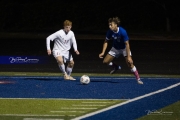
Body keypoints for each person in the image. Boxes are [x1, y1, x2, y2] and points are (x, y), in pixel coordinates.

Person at [99, 17, 143, 84]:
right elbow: (106, 41)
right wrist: (103, 52)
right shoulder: (109, 32)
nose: (110, 26)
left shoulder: (123, 31)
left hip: (124, 48)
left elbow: (127, 44)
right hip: (115, 48)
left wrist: (129, 56)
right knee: (105, 62)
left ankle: (138, 78)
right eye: (109, 25)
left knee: (129, 63)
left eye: (111, 25)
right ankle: (116, 67)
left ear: (116, 24)